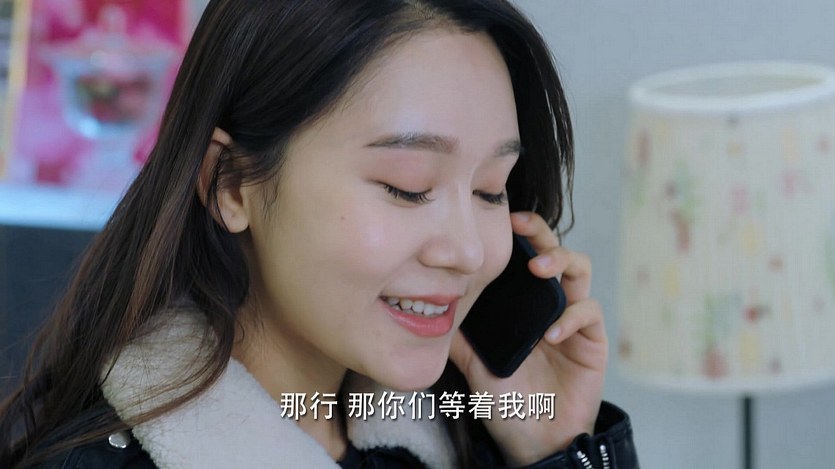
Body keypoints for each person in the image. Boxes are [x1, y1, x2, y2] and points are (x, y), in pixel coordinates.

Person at [0, 1, 639, 468]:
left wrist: (556, 448)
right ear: (230, 184)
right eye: (407, 187)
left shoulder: (455, 432)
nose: (470, 252)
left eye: (491, 190)